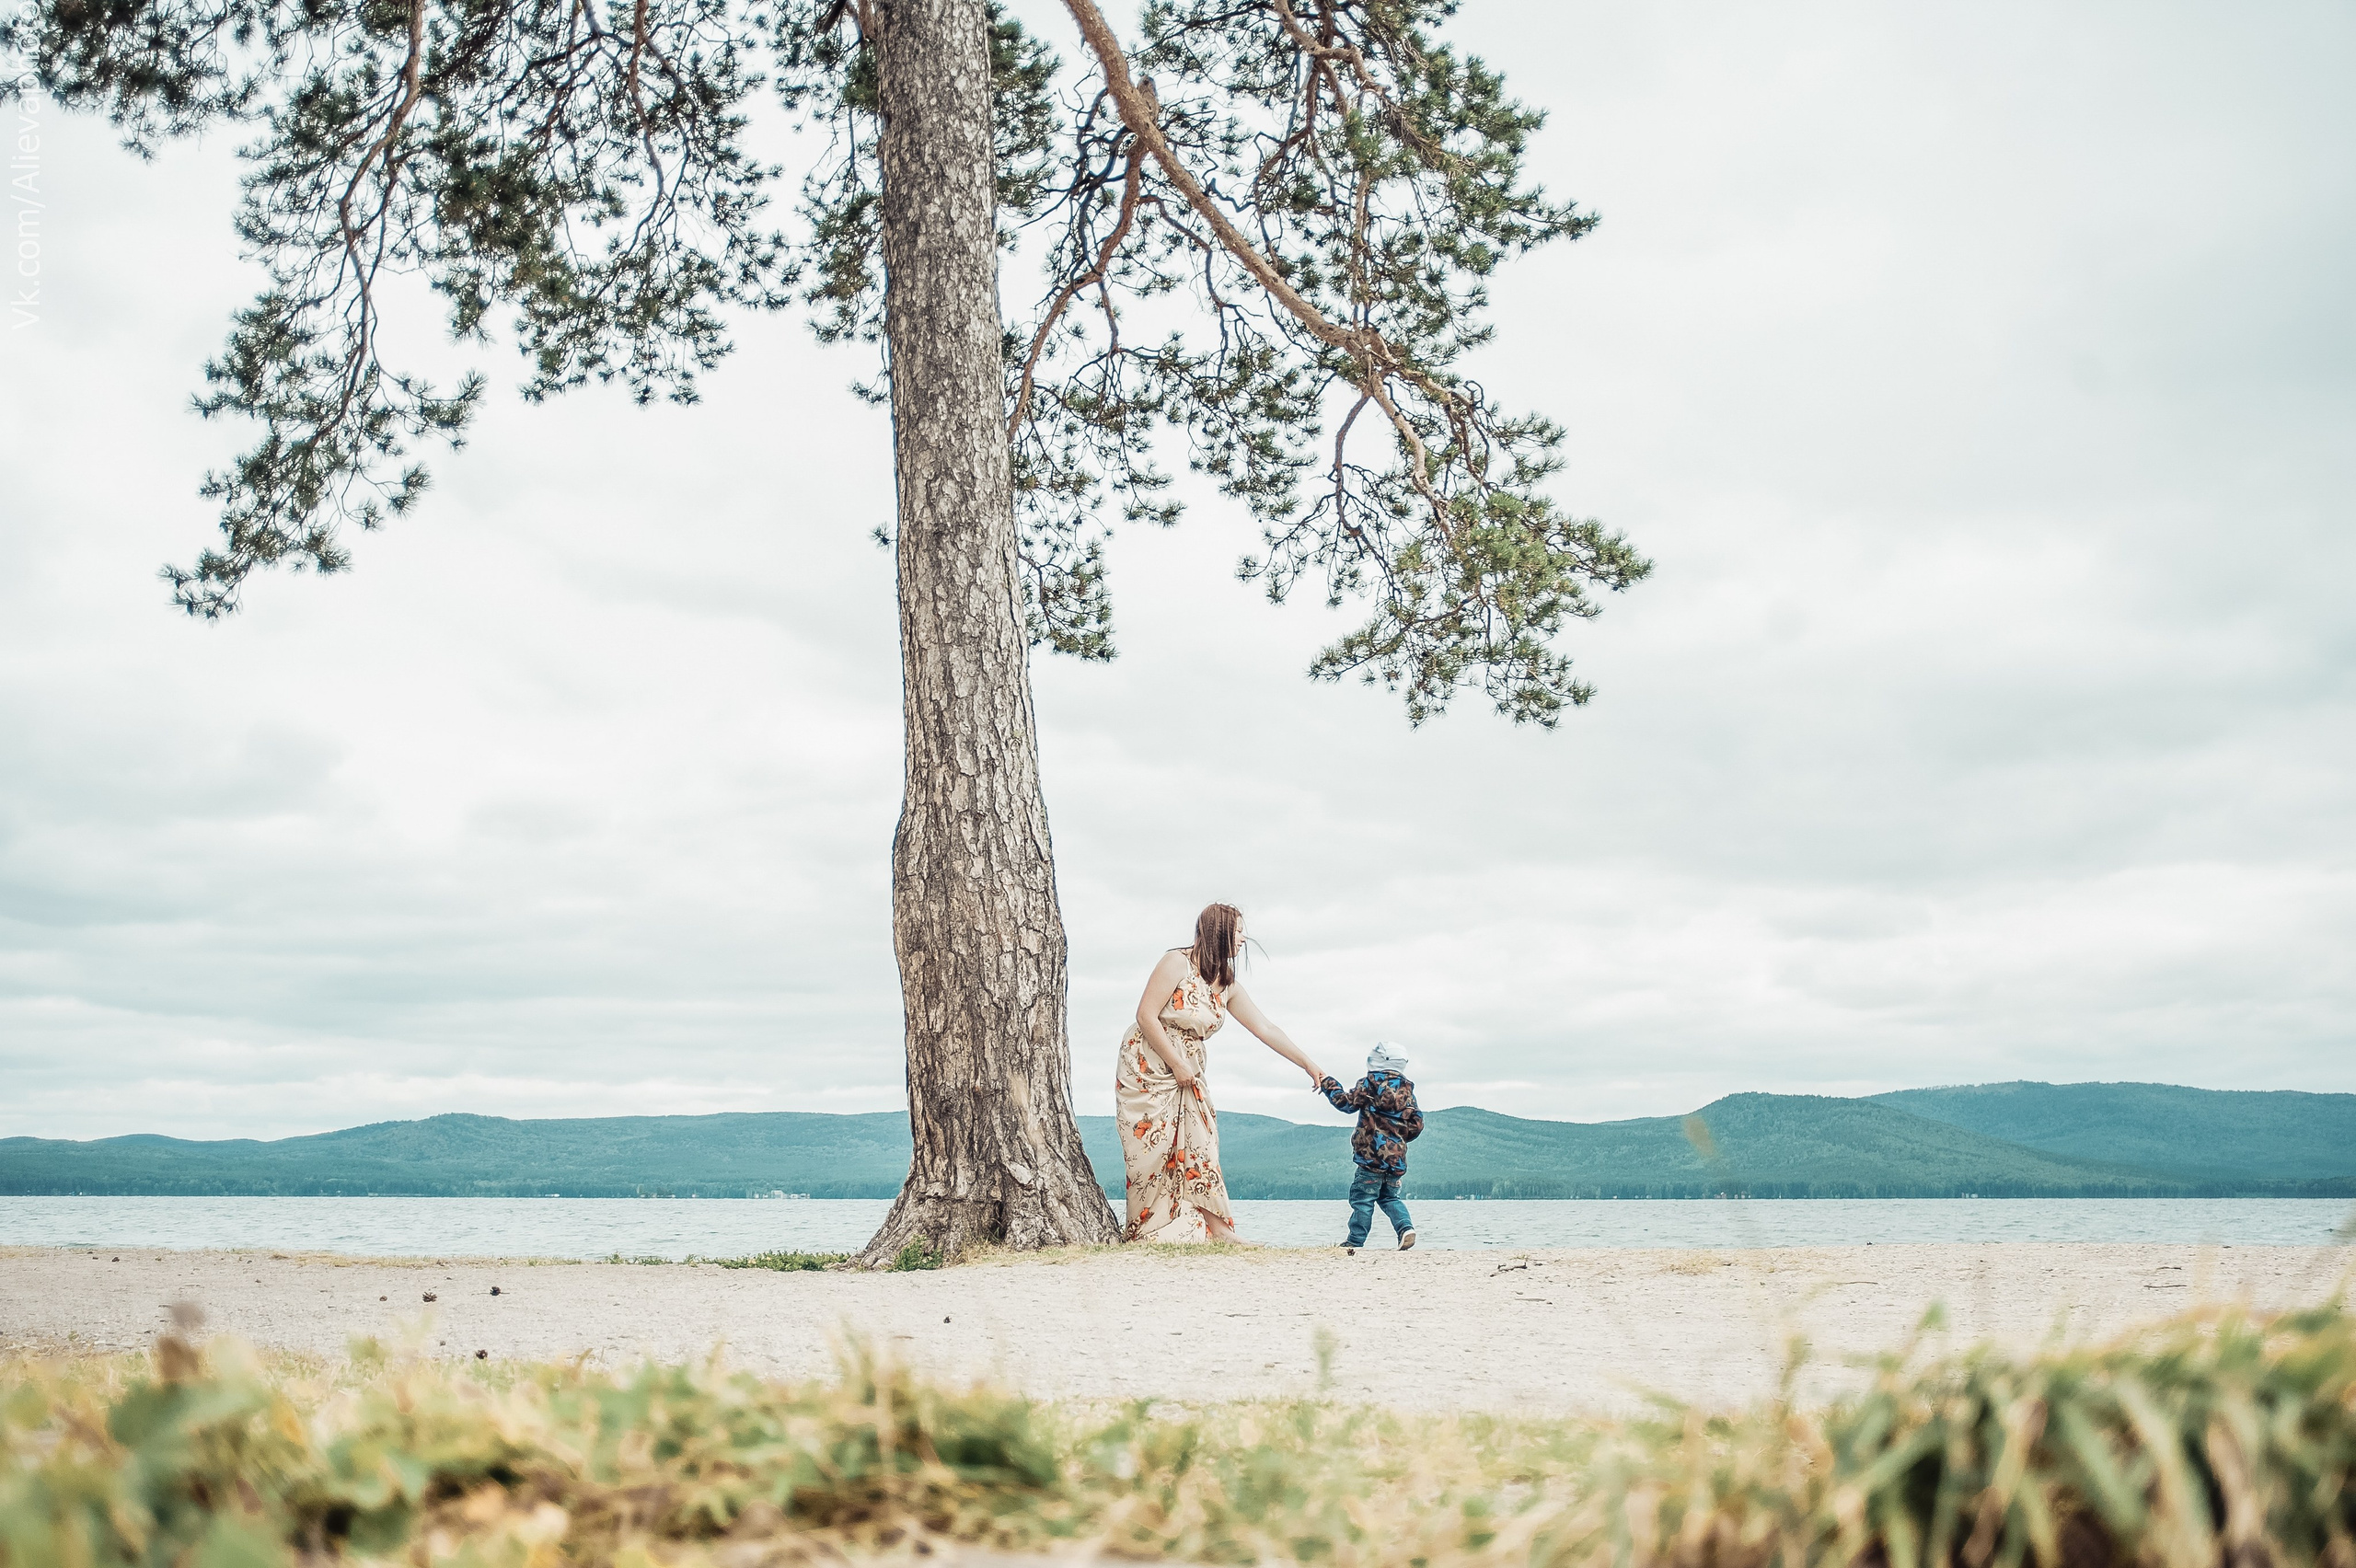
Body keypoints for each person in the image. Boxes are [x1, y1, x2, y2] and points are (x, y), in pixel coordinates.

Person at [1114, 903, 1326, 1243]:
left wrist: (1307, 1063)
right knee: (1150, 1158)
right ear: (1219, 931)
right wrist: (1177, 1063)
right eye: (1239, 930)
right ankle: (1150, 1229)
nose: (1243, 939)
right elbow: (1146, 1015)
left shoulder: (1226, 985)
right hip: (1149, 1068)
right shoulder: (1176, 963)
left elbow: (1266, 1028)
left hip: (1189, 1071)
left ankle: (1220, 1231)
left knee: (1202, 1145)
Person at [1317, 1042, 1425, 1250]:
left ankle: (1355, 1241)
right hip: (1396, 1160)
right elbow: (1417, 1125)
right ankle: (1405, 1228)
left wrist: (1328, 1083)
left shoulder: (1370, 1084)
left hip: (1370, 1158)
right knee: (1389, 1197)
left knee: (1362, 1200)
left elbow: (1345, 1103)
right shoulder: (1408, 1093)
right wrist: (1398, 1139)